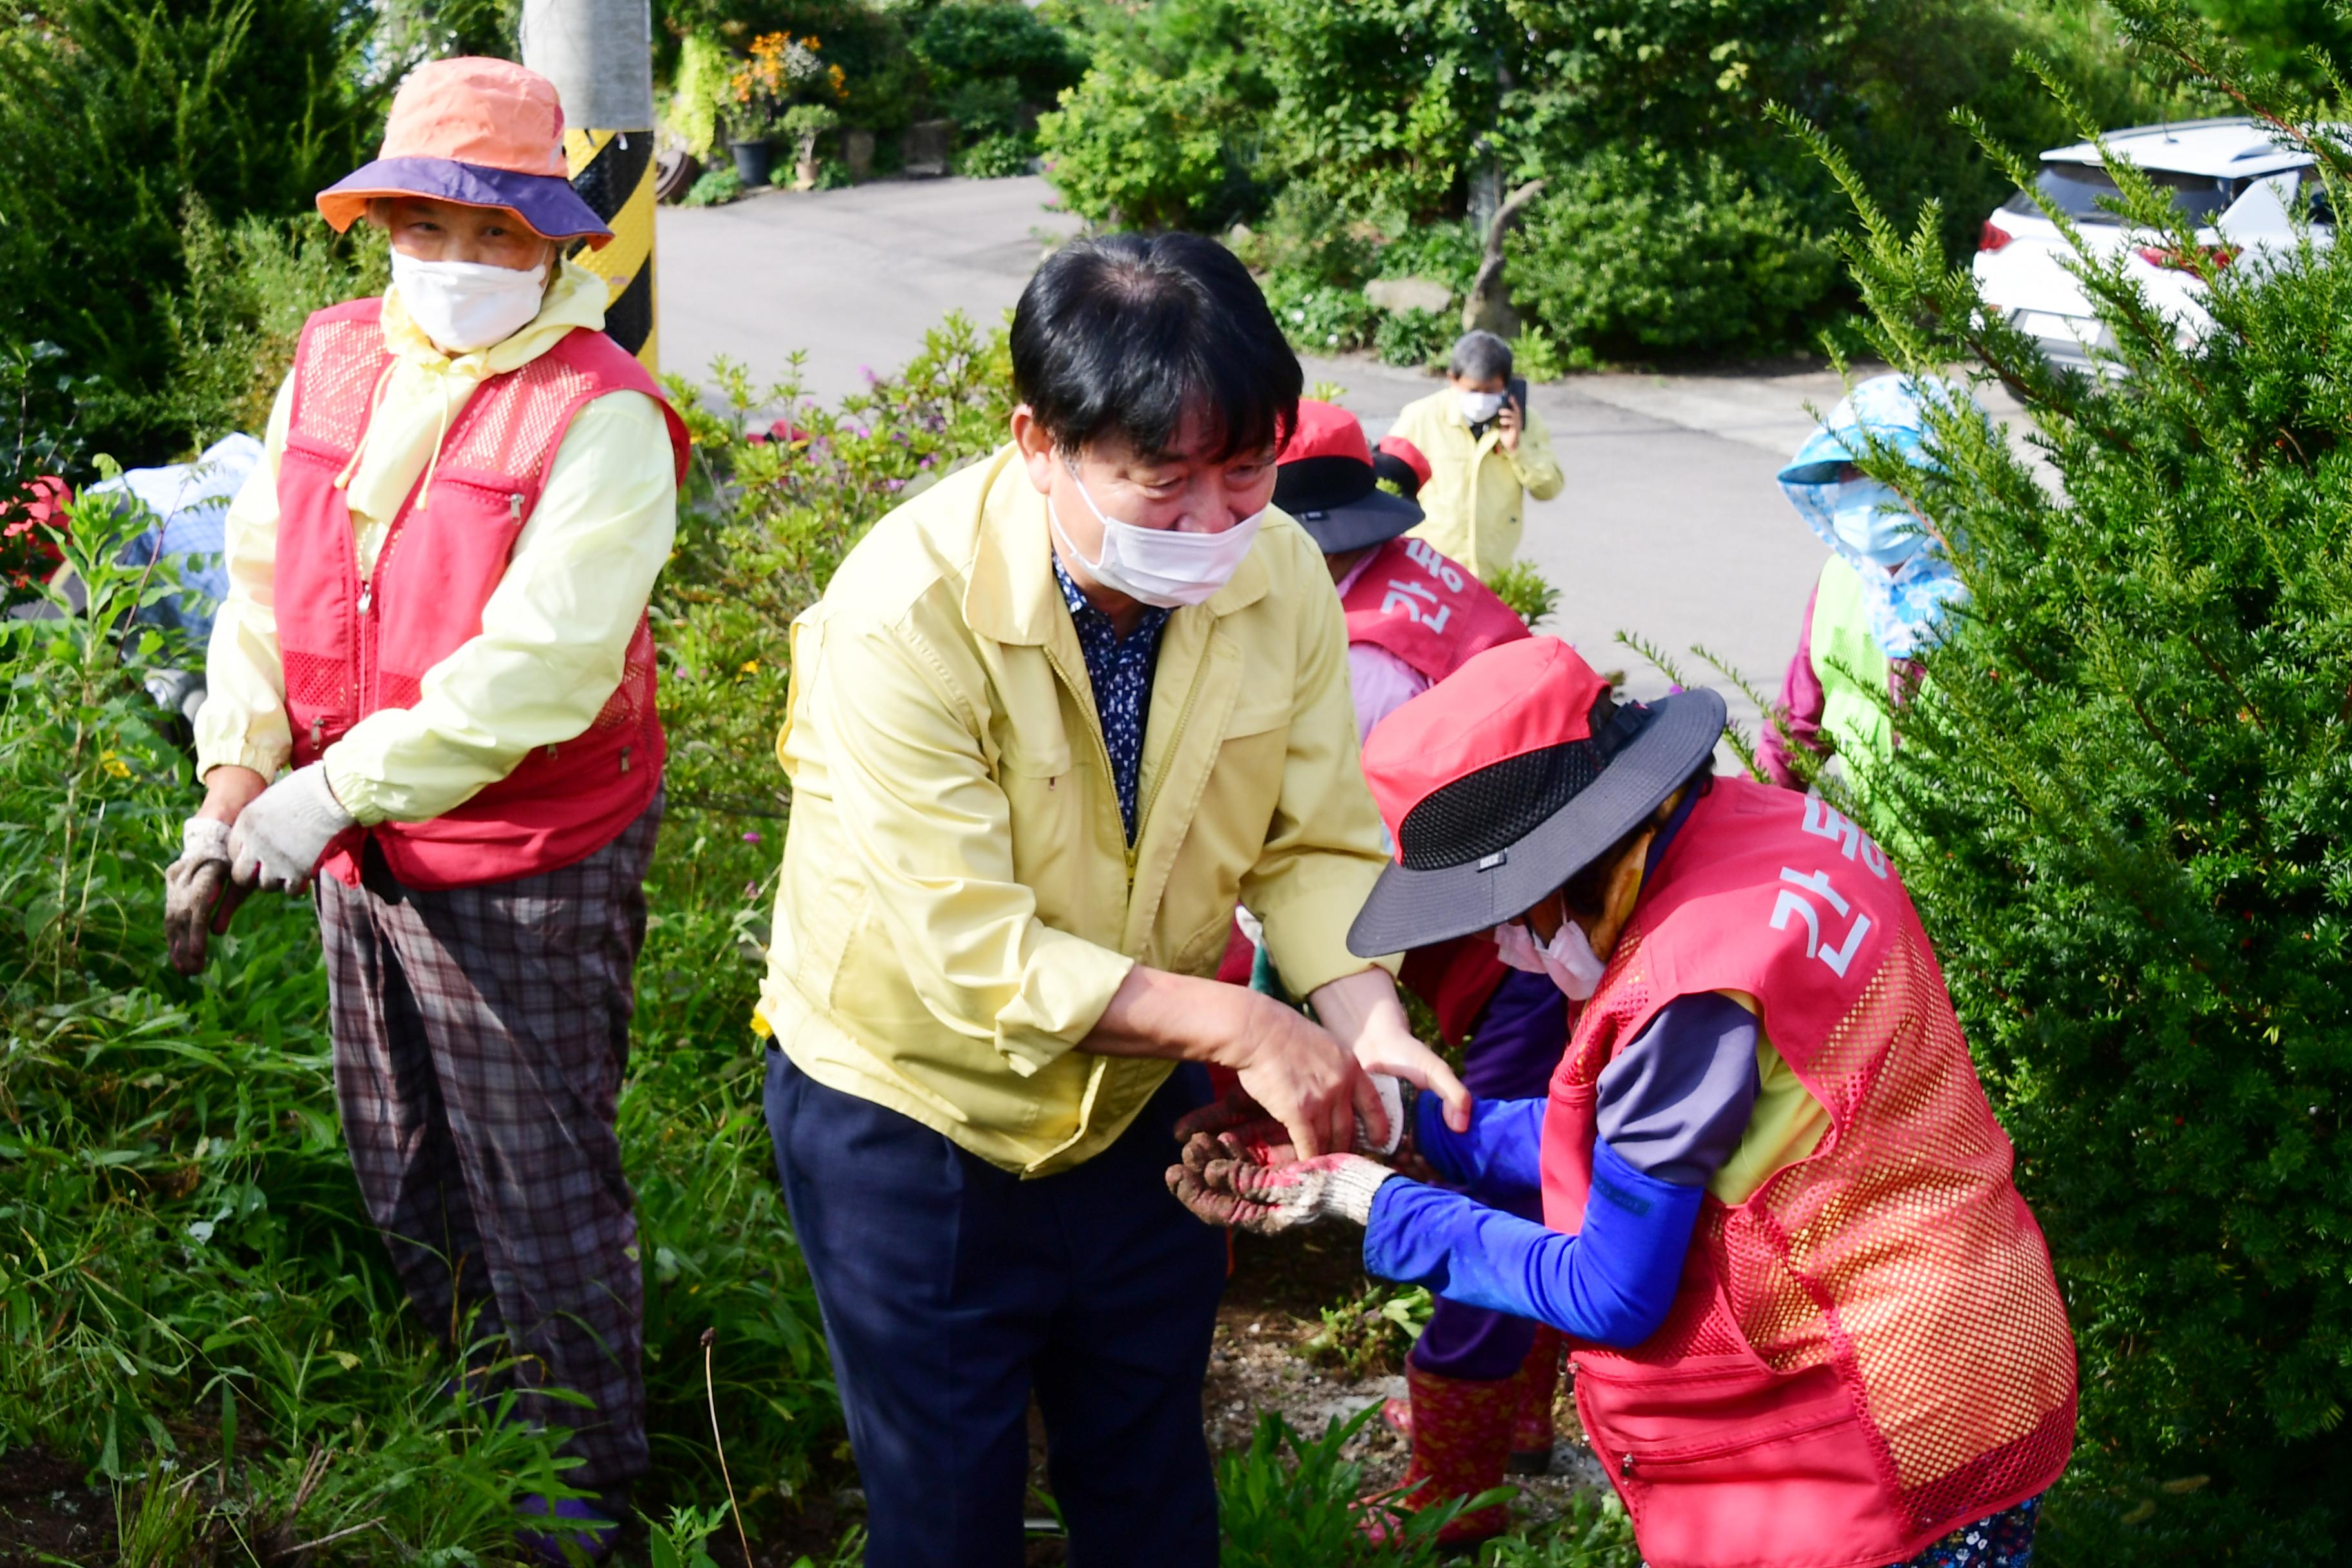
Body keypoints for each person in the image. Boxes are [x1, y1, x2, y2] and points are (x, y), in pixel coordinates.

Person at [754, 232, 1472, 1568]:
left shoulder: (1283, 578)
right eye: (1163, 483)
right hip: (911, 1114)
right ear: (1040, 442)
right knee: (947, 1512)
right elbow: (973, 955)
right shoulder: (903, 612)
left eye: (1244, 473)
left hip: (1135, 1103)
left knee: (1147, 1479)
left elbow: (1312, 841)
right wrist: (1247, 1029)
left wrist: (1362, 1012)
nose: (1214, 525)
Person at [1171, 634, 2079, 1568]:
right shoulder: (1775, 835)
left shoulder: (1690, 993)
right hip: (1981, 1332)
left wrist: (1362, 1199)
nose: (1509, 946)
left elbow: (1608, 1293)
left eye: (1508, 916)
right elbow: (1629, 1141)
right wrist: (1408, 1128)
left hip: (1874, 1424)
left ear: (1573, 859)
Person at [158, 57, 688, 1560]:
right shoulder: (335, 357)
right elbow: (263, 591)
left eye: (497, 239)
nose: (457, 268)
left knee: (539, 1171)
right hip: (346, 827)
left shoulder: (602, 415)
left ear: (556, 245)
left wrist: (320, 795)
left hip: (525, 845)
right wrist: (233, 790)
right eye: (427, 232)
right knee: (396, 1140)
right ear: (384, 225)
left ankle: (586, 1494)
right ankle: (461, 1421)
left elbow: (541, 669)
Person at [1256, 399, 1567, 1536]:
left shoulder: (1360, 654)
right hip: (1535, 896)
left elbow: (1326, 864)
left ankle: (1457, 1483)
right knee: (1530, 1168)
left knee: (1496, 1177)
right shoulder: (1408, 576)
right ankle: (1513, 1418)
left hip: (1530, 935)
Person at [1759, 375, 1967, 794]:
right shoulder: (1840, 582)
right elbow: (1792, 735)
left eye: (1891, 470)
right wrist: (1742, 826)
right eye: (1853, 469)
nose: (1869, 488)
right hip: (1872, 855)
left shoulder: (1998, 591)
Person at [1386, 329, 1563, 581]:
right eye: (1473, 390)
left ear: (1507, 384)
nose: (1481, 399)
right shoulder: (1421, 417)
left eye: (1491, 391)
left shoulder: (1526, 422)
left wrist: (1517, 448)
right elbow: (1386, 483)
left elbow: (1549, 489)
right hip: (1430, 569)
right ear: (1452, 379)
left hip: (1492, 571)